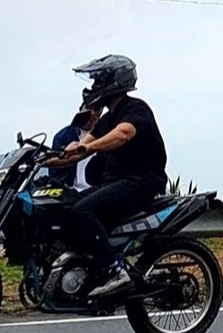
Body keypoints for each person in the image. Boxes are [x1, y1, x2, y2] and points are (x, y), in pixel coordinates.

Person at [48, 55, 167, 300]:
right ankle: (86, 270)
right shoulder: (106, 119)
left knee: (82, 211)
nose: (93, 87)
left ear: (113, 81)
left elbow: (123, 134)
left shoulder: (136, 109)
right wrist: (43, 159)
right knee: (67, 207)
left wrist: (85, 148)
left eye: (98, 81)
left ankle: (114, 272)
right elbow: (78, 150)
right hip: (115, 183)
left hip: (141, 181)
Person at [43, 107, 102, 192]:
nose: (92, 113)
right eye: (88, 108)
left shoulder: (107, 132)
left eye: (96, 109)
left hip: (99, 190)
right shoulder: (62, 136)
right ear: (81, 109)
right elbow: (56, 174)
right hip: (73, 191)